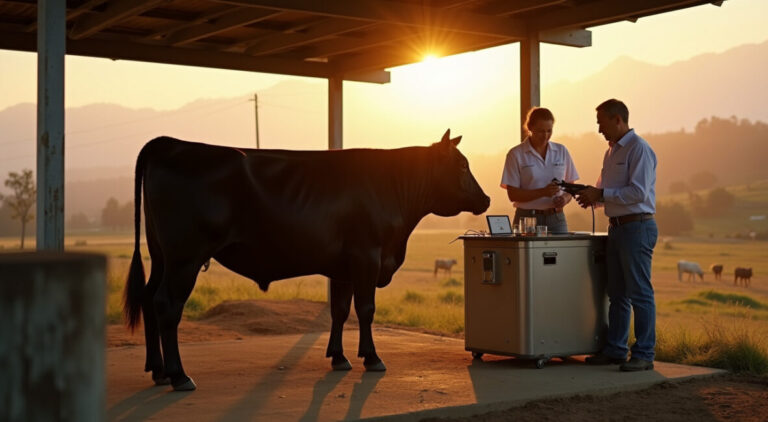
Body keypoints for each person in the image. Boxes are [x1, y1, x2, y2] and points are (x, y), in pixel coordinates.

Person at [575, 99, 658, 372]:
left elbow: (638, 193)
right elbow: (607, 190)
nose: (599, 129)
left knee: (640, 293)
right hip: (618, 227)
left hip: (637, 227)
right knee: (618, 293)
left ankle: (644, 354)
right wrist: (592, 197)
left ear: (617, 120)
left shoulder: (639, 149)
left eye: (601, 122)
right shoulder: (610, 152)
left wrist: (600, 195)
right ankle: (616, 350)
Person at [500, 107, 579, 233]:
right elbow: (512, 194)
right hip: (526, 220)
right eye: (541, 131)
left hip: (557, 219)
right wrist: (543, 192)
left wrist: (564, 199)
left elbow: (571, 187)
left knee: (562, 252)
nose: (546, 135)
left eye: (549, 131)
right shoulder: (515, 154)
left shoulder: (561, 151)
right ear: (530, 128)